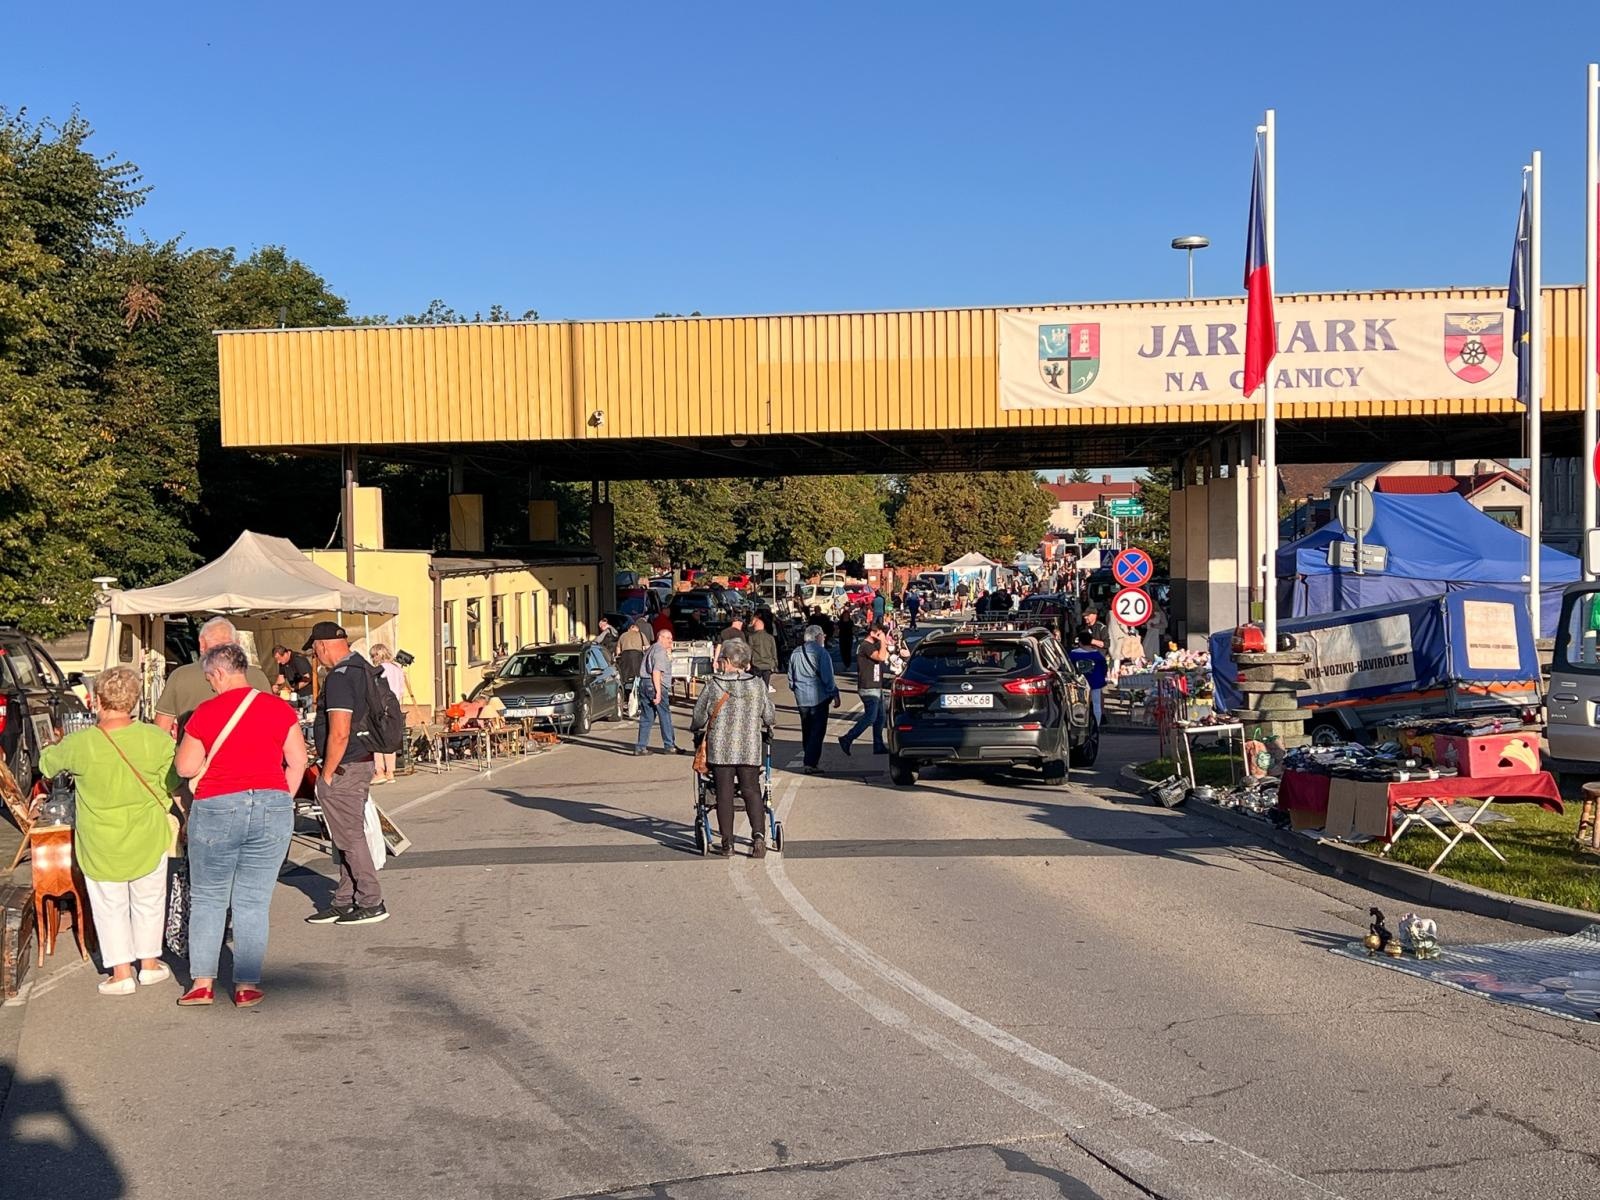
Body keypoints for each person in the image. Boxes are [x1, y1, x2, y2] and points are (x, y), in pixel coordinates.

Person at [173, 644, 308, 1007]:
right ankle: (247, 984)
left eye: (209, 679)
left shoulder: (206, 712)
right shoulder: (278, 708)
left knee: (209, 898)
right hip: (271, 804)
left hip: (217, 805)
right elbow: (298, 761)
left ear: (217, 673)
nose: (210, 686)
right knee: (253, 900)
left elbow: (186, 768)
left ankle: (202, 982)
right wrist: (281, 796)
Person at [39, 667, 179, 996]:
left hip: (100, 839)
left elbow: (47, 766)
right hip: (147, 834)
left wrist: (49, 746)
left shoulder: (80, 743)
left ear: (98, 700)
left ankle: (120, 972)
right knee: (149, 900)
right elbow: (173, 780)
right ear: (132, 701)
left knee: (109, 905)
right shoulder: (156, 739)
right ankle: (149, 964)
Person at [303, 621, 388, 926]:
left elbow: (339, 731)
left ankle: (370, 900)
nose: (316, 657)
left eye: (315, 650)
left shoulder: (339, 677)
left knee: (349, 836)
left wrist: (326, 773)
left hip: (344, 765)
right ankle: (345, 899)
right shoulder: (361, 667)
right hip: (359, 759)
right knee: (344, 833)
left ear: (321, 645)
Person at [690, 640, 777, 857]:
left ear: (728, 661)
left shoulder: (714, 684)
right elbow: (769, 715)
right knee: (751, 791)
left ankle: (727, 844)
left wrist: (696, 729)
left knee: (724, 794)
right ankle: (758, 837)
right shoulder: (757, 685)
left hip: (721, 748)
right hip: (749, 747)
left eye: (722, 661)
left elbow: (699, 714)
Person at [155, 617, 274, 737]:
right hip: (248, 753)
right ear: (237, 643)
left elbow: (161, 730)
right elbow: (271, 724)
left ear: (202, 644)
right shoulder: (258, 676)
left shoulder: (180, 676)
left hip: (192, 753)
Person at [787, 624, 840, 774]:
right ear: (817, 637)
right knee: (817, 731)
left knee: (807, 729)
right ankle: (810, 762)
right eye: (822, 635)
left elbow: (791, 677)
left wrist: (795, 689)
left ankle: (808, 757)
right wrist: (834, 693)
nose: (824, 638)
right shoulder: (821, 653)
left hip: (801, 697)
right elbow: (828, 677)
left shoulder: (795, 653)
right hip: (819, 698)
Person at [838, 618, 889, 756]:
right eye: (879, 633)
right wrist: (883, 641)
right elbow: (881, 657)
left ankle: (878, 745)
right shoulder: (866, 646)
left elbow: (887, 653)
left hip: (876, 686)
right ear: (873, 633)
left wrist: (884, 642)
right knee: (870, 717)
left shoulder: (874, 645)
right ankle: (847, 738)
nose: (881, 635)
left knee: (881, 717)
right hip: (868, 687)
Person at [635, 628, 688, 756]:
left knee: (647, 717)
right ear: (661, 637)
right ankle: (669, 745)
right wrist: (658, 692)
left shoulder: (652, 649)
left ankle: (640, 747)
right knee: (665, 716)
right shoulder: (659, 651)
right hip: (655, 685)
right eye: (668, 638)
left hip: (644, 684)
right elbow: (656, 672)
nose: (671, 641)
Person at [369, 644, 411, 785]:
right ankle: (390, 772)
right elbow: (400, 690)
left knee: (378, 740)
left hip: (381, 706)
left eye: (373, 655)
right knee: (391, 740)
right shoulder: (397, 669)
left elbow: (376, 689)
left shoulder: (379, 670)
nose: (373, 658)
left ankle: (379, 771)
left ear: (378, 655)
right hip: (395, 706)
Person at [1069, 630, 1109, 725]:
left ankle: (1080, 722)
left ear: (1080, 642)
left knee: (1079, 704)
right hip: (1095, 682)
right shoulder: (1098, 655)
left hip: (1079, 683)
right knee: (1096, 704)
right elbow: (1104, 669)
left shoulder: (1073, 655)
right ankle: (1097, 724)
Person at [617, 617, 651, 719]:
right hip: (637, 659)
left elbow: (618, 651)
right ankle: (638, 704)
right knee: (638, 681)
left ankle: (627, 699)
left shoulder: (623, 636)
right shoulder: (641, 635)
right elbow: (647, 648)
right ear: (636, 629)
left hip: (625, 660)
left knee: (626, 680)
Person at [272, 644, 315, 710]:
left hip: (308, 695)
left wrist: (294, 688)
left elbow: (307, 678)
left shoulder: (298, 659)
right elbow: (281, 677)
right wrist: (276, 685)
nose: (278, 662)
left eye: (279, 659)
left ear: (285, 654)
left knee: (308, 718)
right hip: (296, 695)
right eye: (277, 660)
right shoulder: (282, 663)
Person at [747, 613, 779, 692]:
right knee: (766, 685)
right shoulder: (770, 637)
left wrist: (748, 662)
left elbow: (749, 651)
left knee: (755, 686)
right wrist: (775, 663)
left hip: (756, 664)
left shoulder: (751, 637)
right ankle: (765, 699)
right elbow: (774, 651)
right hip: (768, 664)